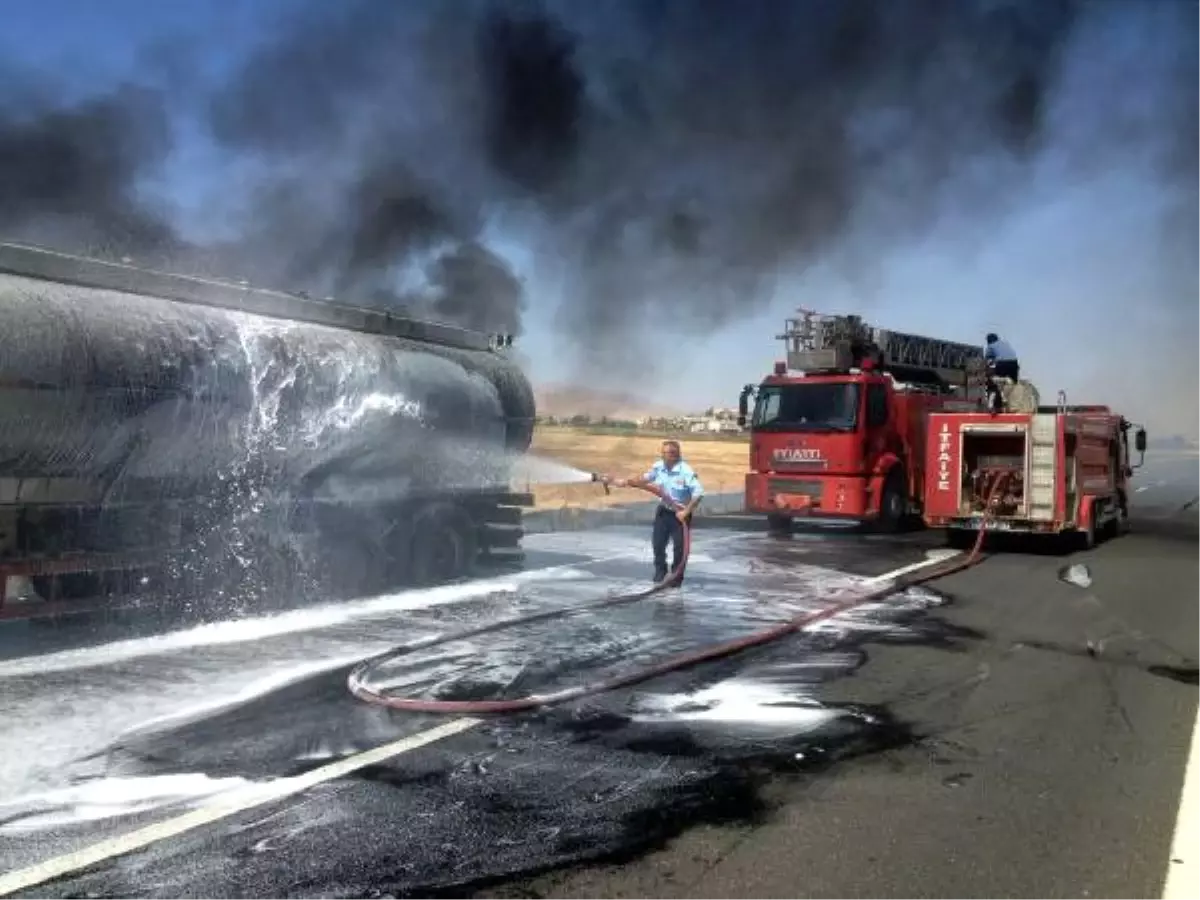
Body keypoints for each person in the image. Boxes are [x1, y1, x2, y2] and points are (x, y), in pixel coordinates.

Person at [606, 440, 704, 586]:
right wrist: (623, 482)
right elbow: (644, 479)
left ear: (676, 455)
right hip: (664, 512)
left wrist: (686, 512)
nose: (664, 456)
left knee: (680, 549)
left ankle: (676, 578)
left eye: (668, 453)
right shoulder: (659, 467)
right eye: (662, 453)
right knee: (658, 544)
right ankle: (660, 572)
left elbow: (699, 493)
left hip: (680, 515)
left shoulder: (686, 471)